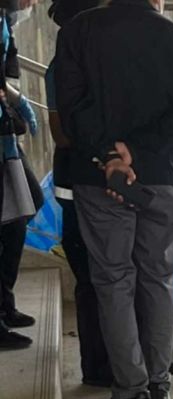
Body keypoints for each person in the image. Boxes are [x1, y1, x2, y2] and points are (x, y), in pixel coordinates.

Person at [55, 0, 173, 399]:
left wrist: (112, 156)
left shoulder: (79, 32)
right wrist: (140, 152)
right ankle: (159, 387)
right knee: (160, 279)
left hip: (101, 179)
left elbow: (71, 107)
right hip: (164, 177)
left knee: (113, 281)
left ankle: (131, 394)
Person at [44, 0, 113, 385]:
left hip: (99, 179)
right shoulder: (61, 70)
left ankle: (124, 358)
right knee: (89, 278)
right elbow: (60, 133)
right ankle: (97, 366)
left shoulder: (100, 65)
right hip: (75, 182)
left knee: (115, 274)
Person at [0, 0, 40, 351]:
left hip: (5, 135)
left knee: (19, 215)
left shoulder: (3, 21)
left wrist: (15, 101)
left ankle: (5, 304)